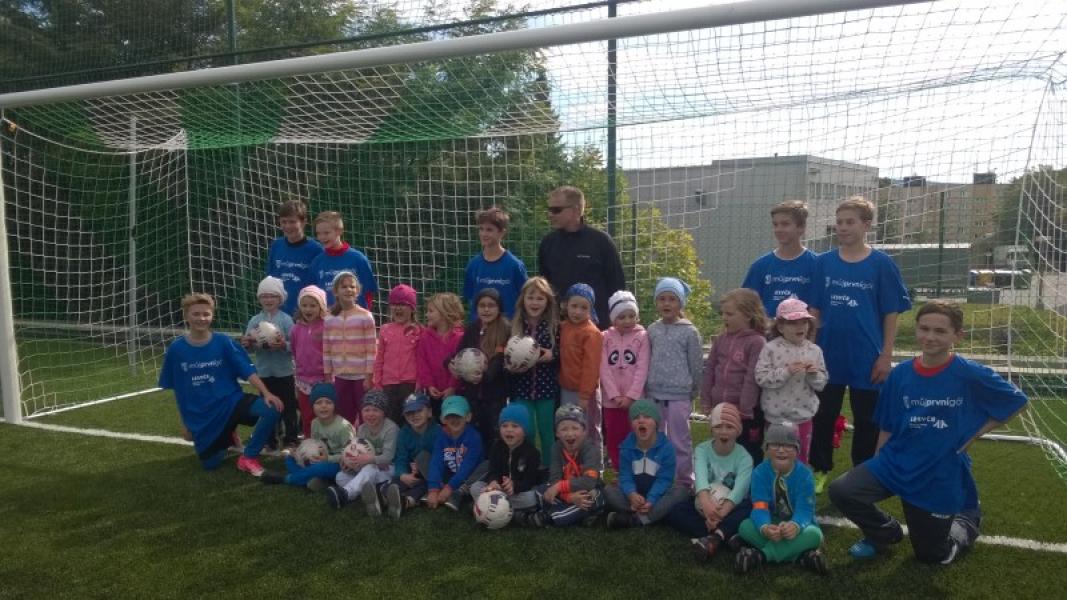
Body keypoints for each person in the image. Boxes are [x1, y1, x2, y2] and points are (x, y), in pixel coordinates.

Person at [829, 300, 1028, 565]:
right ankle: (884, 532)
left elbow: (1017, 401)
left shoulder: (969, 373)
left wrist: (972, 436)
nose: (930, 337)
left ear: (957, 335)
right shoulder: (900, 374)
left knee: (932, 555)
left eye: (940, 331)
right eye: (924, 329)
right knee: (842, 490)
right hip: (896, 461)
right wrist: (878, 461)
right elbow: (888, 423)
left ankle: (967, 520)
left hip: (938, 469)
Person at [808, 197, 911, 493]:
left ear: (866, 225)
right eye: (839, 222)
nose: (843, 227)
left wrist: (886, 355)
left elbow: (891, 312)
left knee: (867, 419)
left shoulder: (882, 264)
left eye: (850, 222)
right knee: (822, 414)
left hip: (867, 356)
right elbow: (814, 309)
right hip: (827, 355)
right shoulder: (823, 263)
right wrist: (809, 349)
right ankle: (819, 468)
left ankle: (861, 474)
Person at [158, 293, 282, 476]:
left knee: (271, 408)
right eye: (196, 314)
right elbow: (180, 391)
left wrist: (267, 393)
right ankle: (227, 436)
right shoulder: (176, 350)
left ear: (212, 316)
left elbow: (247, 371)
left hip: (230, 403)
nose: (201, 318)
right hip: (203, 415)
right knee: (210, 464)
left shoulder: (224, 342)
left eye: (206, 314)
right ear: (186, 316)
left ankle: (248, 457)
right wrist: (185, 423)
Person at [735, 422, 828, 576]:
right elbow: (760, 507)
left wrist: (795, 525)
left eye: (788, 445)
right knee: (745, 527)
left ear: (797, 450)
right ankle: (801, 557)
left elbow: (805, 509)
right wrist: (765, 527)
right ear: (766, 448)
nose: (781, 450)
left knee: (815, 535)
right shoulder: (759, 473)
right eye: (775, 444)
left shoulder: (805, 475)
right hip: (773, 522)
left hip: (799, 527)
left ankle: (761, 556)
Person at [538, 185, 626, 331]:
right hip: (559, 327)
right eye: (549, 209)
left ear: (576, 210)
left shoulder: (601, 241)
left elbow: (617, 286)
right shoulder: (548, 243)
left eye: (556, 210)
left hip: (596, 328)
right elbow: (544, 287)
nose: (550, 214)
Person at [754, 297, 828, 463]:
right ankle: (774, 480)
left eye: (804, 322)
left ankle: (798, 480)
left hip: (803, 416)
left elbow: (821, 384)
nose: (800, 327)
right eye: (793, 323)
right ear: (780, 327)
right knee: (776, 457)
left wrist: (813, 375)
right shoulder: (770, 348)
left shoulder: (814, 350)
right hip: (775, 417)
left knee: (800, 457)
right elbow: (761, 377)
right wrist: (785, 372)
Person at [701, 288, 768, 465]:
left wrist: (744, 409)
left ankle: (750, 481)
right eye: (723, 313)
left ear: (748, 315)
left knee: (748, 450)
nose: (724, 318)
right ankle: (724, 479)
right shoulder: (721, 340)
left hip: (746, 413)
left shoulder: (757, 342)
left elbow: (751, 378)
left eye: (730, 314)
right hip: (721, 408)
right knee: (722, 448)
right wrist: (706, 400)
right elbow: (709, 370)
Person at [646, 277, 703, 486]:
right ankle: (656, 477)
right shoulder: (652, 330)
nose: (667, 304)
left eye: (672, 299)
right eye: (662, 299)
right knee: (655, 438)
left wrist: (694, 389)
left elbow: (696, 364)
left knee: (680, 439)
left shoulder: (689, 331)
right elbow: (647, 359)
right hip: (654, 394)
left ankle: (684, 481)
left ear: (680, 303)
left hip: (679, 395)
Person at [603, 400, 689, 528]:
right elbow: (625, 476)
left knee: (681, 491)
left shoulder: (667, 448)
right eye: (636, 418)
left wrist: (651, 499)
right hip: (634, 496)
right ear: (632, 424)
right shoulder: (626, 447)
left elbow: (664, 479)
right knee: (609, 490)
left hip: (658, 495)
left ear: (656, 423)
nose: (641, 421)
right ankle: (650, 515)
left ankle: (635, 519)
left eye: (647, 417)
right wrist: (632, 494)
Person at [519, 405, 605, 528]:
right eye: (564, 429)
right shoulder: (556, 448)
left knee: (593, 498)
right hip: (565, 493)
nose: (570, 434)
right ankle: (580, 517)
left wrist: (559, 487)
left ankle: (548, 517)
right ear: (557, 433)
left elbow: (589, 482)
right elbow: (555, 479)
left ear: (584, 431)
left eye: (575, 428)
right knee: (541, 490)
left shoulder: (591, 450)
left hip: (586, 490)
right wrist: (568, 497)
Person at [689, 403, 754, 561]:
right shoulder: (702, 450)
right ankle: (727, 534)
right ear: (711, 429)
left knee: (750, 506)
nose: (724, 431)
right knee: (677, 510)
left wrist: (721, 513)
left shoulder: (745, 458)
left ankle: (714, 536)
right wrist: (707, 505)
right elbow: (701, 478)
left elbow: (739, 490)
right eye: (718, 426)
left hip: (731, 507)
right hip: (705, 505)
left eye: (729, 427)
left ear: (738, 431)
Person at [508, 276, 561, 466]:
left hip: (546, 389)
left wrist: (552, 355)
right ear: (523, 299)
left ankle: (549, 468)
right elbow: (507, 354)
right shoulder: (515, 325)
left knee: (547, 432)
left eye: (540, 298)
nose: (534, 302)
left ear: (548, 301)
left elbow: (562, 352)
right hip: (522, 389)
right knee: (526, 430)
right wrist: (511, 367)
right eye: (530, 297)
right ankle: (528, 468)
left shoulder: (554, 326)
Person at [262, 382, 353, 489]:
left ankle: (287, 479)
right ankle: (316, 480)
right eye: (318, 402)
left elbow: (350, 455)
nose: (323, 406)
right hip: (318, 460)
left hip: (338, 465)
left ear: (334, 405)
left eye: (328, 402)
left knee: (319, 468)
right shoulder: (314, 423)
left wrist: (328, 458)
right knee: (289, 458)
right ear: (312, 406)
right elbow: (313, 445)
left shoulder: (343, 427)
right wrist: (298, 452)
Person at [241, 276, 297, 450]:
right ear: (259, 299)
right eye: (264, 296)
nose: (268, 299)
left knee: (288, 406)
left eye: (272, 296)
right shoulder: (255, 321)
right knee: (269, 406)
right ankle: (270, 439)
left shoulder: (286, 320)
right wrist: (247, 343)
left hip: (285, 372)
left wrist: (283, 345)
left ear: (280, 299)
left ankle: (291, 439)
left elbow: (295, 346)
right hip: (264, 373)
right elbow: (248, 347)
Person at [451, 288, 510, 447]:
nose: (486, 309)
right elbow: (458, 353)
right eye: (482, 305)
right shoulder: (472, 329)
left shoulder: (505, 329)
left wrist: (485, 376)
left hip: (495, 395)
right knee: (474, 433)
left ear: (499, 308)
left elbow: (499, 359)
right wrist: (450, 364)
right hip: (471, 393)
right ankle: (476, 461)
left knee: (494, 434)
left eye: (491, 305)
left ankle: (495, 461)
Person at [600, 290, 649, 470]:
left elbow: (642, 368)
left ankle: (638, 470)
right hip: (611, 401)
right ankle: (619, 470)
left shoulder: (642, 337)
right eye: (622, 317)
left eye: (631, 316)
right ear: (613, 319)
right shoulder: (605, 337)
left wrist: (631, 396)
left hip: (635, 400)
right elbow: (603, 368)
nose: (628, 321)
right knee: (614, 436)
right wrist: (614, 395)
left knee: (637, 434)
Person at [327, 390, 398, 515]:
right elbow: (356, 451)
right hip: (367, 469)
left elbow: (388, 457)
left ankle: (345, 494)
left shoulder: (391, 429)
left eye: (375, 410)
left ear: (384, 412)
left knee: (369, 469)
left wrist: (369, 459)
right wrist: (348, 463)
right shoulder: (361, 428)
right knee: (340, 476)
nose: (370, 414)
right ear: (361, 411)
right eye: (366, 410)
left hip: (389, 469)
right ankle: (374, 492)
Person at [741, 200, 818, 317]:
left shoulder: (816, 264)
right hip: (768, 328)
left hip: (803, 328)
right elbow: (746, 306)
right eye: (775, 224)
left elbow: (819, 307)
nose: (778, 229)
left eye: (785, 224)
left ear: (801, 227)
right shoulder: (760, 266)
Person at [469, 403, 542, 517]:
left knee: (531, 498)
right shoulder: (496, 447)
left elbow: (529, 481)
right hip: (498, 490)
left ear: (525, 431)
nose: (509, 430)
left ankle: (488, 505)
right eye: (504, 425)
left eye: (515, 426)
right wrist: (493, 482)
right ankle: (505, 508)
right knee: (475, 487)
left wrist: (514, 486)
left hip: (517, 493)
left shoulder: (532, 453)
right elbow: (493, 471)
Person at [323, 271, 376, 426]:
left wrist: (369, 376)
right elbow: (326, 349)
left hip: (361, 376)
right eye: (344, 287)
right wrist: (328, 375)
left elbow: (372, 349)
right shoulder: (329, 318)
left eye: (352, 287)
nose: (348, 290)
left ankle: (365, 439)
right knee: (344, 414)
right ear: (335, 291)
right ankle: (347, 439)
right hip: (340, 376)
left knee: (365, 412)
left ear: (357, 291)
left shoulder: (365, 316)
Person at [463, 207, 528, 321]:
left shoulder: (514, 265)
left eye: (489, 230)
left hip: (507, 327)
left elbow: (525, 299)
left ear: (502, 233)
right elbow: (470, 297)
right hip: (480, 328)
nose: (484, 233)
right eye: (481, 229)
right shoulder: (473, 264)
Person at [559, 283, 603, 449]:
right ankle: (572, 459)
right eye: (574, 306)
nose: (577, 312)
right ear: (566, 305)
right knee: (569, 427)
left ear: (591, 309)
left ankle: (594, 461)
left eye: (584, 308)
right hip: (567, 388)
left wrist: (584, 396)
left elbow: (591, 367)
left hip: (586, 393)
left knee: (589, 429)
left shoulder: (592, 333)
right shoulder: (564, 327)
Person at [384, 393, 441, 519]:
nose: (414, 415)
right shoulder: (404, 433)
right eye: (409, 413)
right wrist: (403, 475)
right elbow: (401, 457)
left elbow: (439, 461)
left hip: (431, 475)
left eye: (419, 410)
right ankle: (385, 495)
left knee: (422, 486)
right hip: (412, 473)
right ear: (405, 416)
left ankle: (406, 502)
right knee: (397, 482)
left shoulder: (438, 432)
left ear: (429, 412)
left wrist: (433, 483)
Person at [426, 396, 487, 512]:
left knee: (487, 465)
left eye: (458, 415)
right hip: (450, 474)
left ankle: (458, 493)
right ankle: (437, 489)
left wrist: (449, 487)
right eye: (449, 416)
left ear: (468, 417)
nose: (454, 420)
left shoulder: (474, 437)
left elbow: (468, 466)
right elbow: (436, 461)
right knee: (423, 457)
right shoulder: (441, 436)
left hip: (468, 477)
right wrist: (433, 489)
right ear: (443, 419)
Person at [265, 199, 324, 315]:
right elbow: (270, 279)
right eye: (284, 222)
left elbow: (319, 285)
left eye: (292, 222)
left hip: (305, 314)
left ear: (303, 222)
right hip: (278, 313)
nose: (287, 226)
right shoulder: (276, 245)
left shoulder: (316, 250)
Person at [373, 284, 421, 424]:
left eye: (403, 304)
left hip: (410, 384)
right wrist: (377, 382)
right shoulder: (385, 329)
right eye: (395, 304)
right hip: (388, 384)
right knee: (391, 420)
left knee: (410, 419)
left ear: (412, 308)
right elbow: (379, 358)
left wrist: (419, 383)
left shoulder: (418, 330)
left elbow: (421, 359)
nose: (398, 308)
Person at [309, 211, 378, 308]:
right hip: (328, 316)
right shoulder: (317, 262)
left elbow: (368, 293)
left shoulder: (358, 259)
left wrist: (363, 313)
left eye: (326, 233)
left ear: (340, 231)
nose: (322, 237)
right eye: (318, 233)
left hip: (355, 316)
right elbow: (312, 294)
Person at [416, 293, 465, 416]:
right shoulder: (425, 337)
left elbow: (459, 365)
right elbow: (422, 363)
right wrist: (429, 385)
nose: (427, 315)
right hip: (434, 393)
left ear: (444, 313)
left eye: (431, 311)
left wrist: (452, 387)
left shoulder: (460, 337)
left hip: (456, 393)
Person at [290, 285, 328, 439]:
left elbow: (330, 351)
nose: (308, 309)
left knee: (324, 414)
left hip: (322, 379)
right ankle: (308, 442)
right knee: (307, 415)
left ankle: (327, 443)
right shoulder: (295, 329)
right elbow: (294, 351)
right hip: (303, 381)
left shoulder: (326, 327)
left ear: (321, 307)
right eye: (304, 305)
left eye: (313, 305)